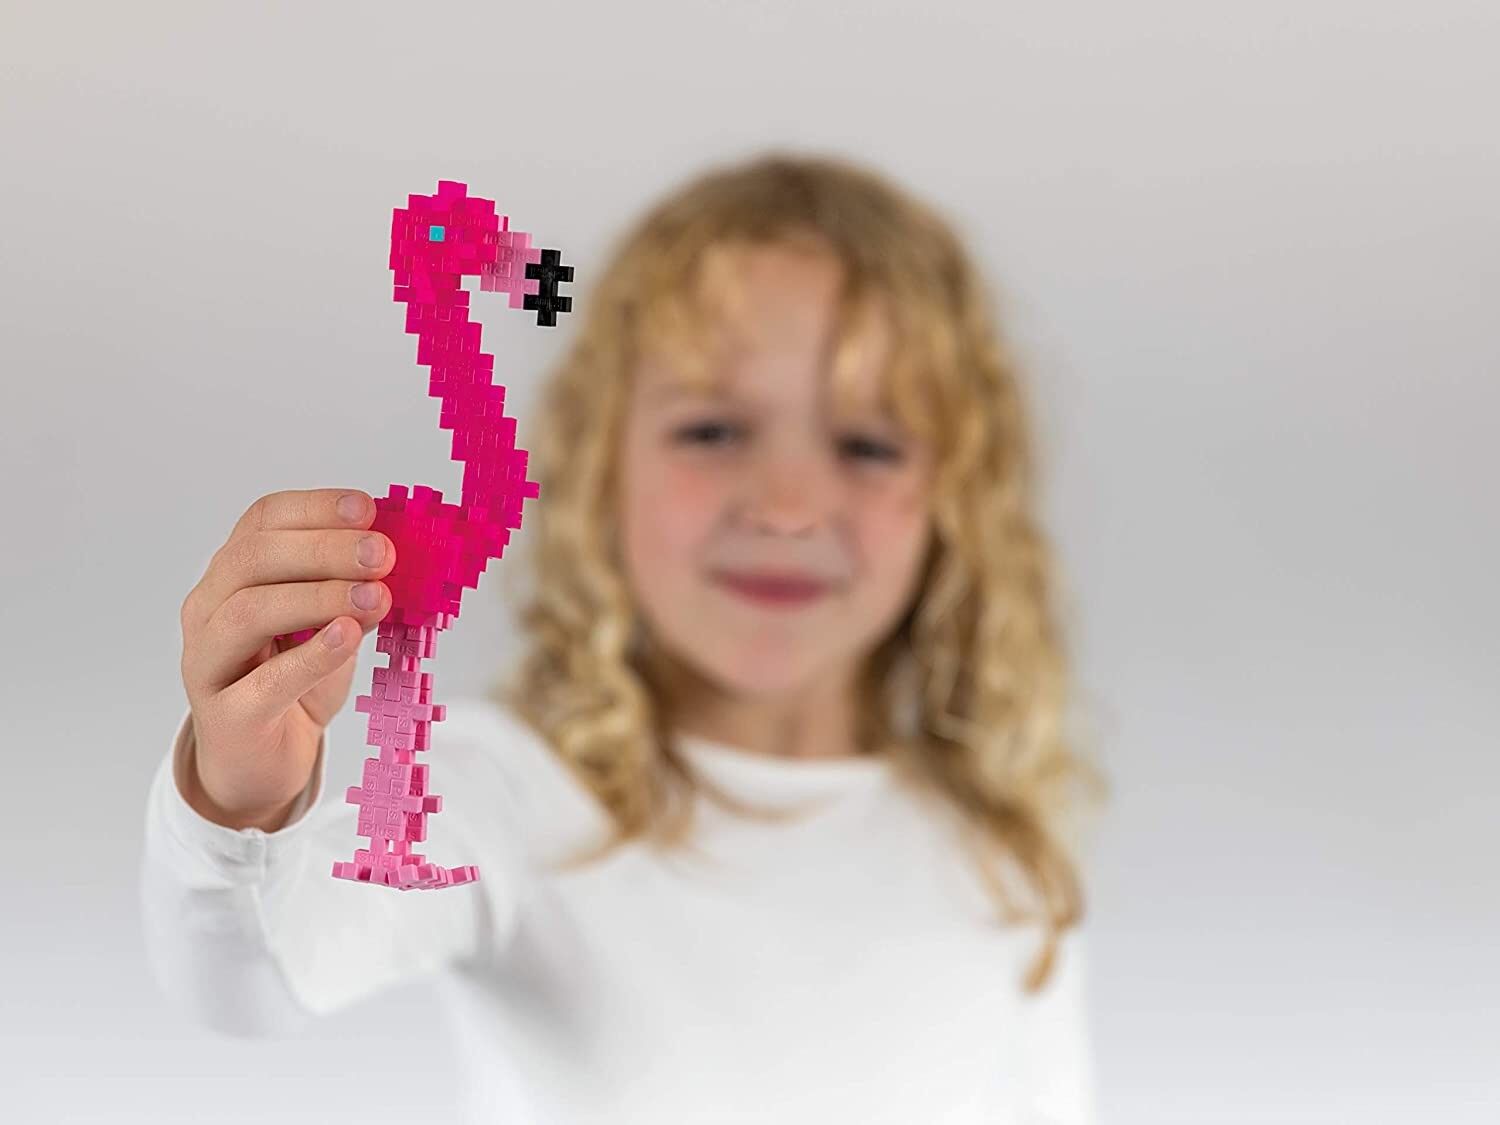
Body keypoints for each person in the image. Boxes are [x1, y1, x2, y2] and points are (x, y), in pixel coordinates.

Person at [143, 151, 1110, 1123]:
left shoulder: (1002, 855)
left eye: (868, 445)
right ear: (603, 465)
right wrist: (242, 799)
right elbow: (250, 981)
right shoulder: (505, 795)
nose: (787, 508)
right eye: (712, 432)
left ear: (958, 498)